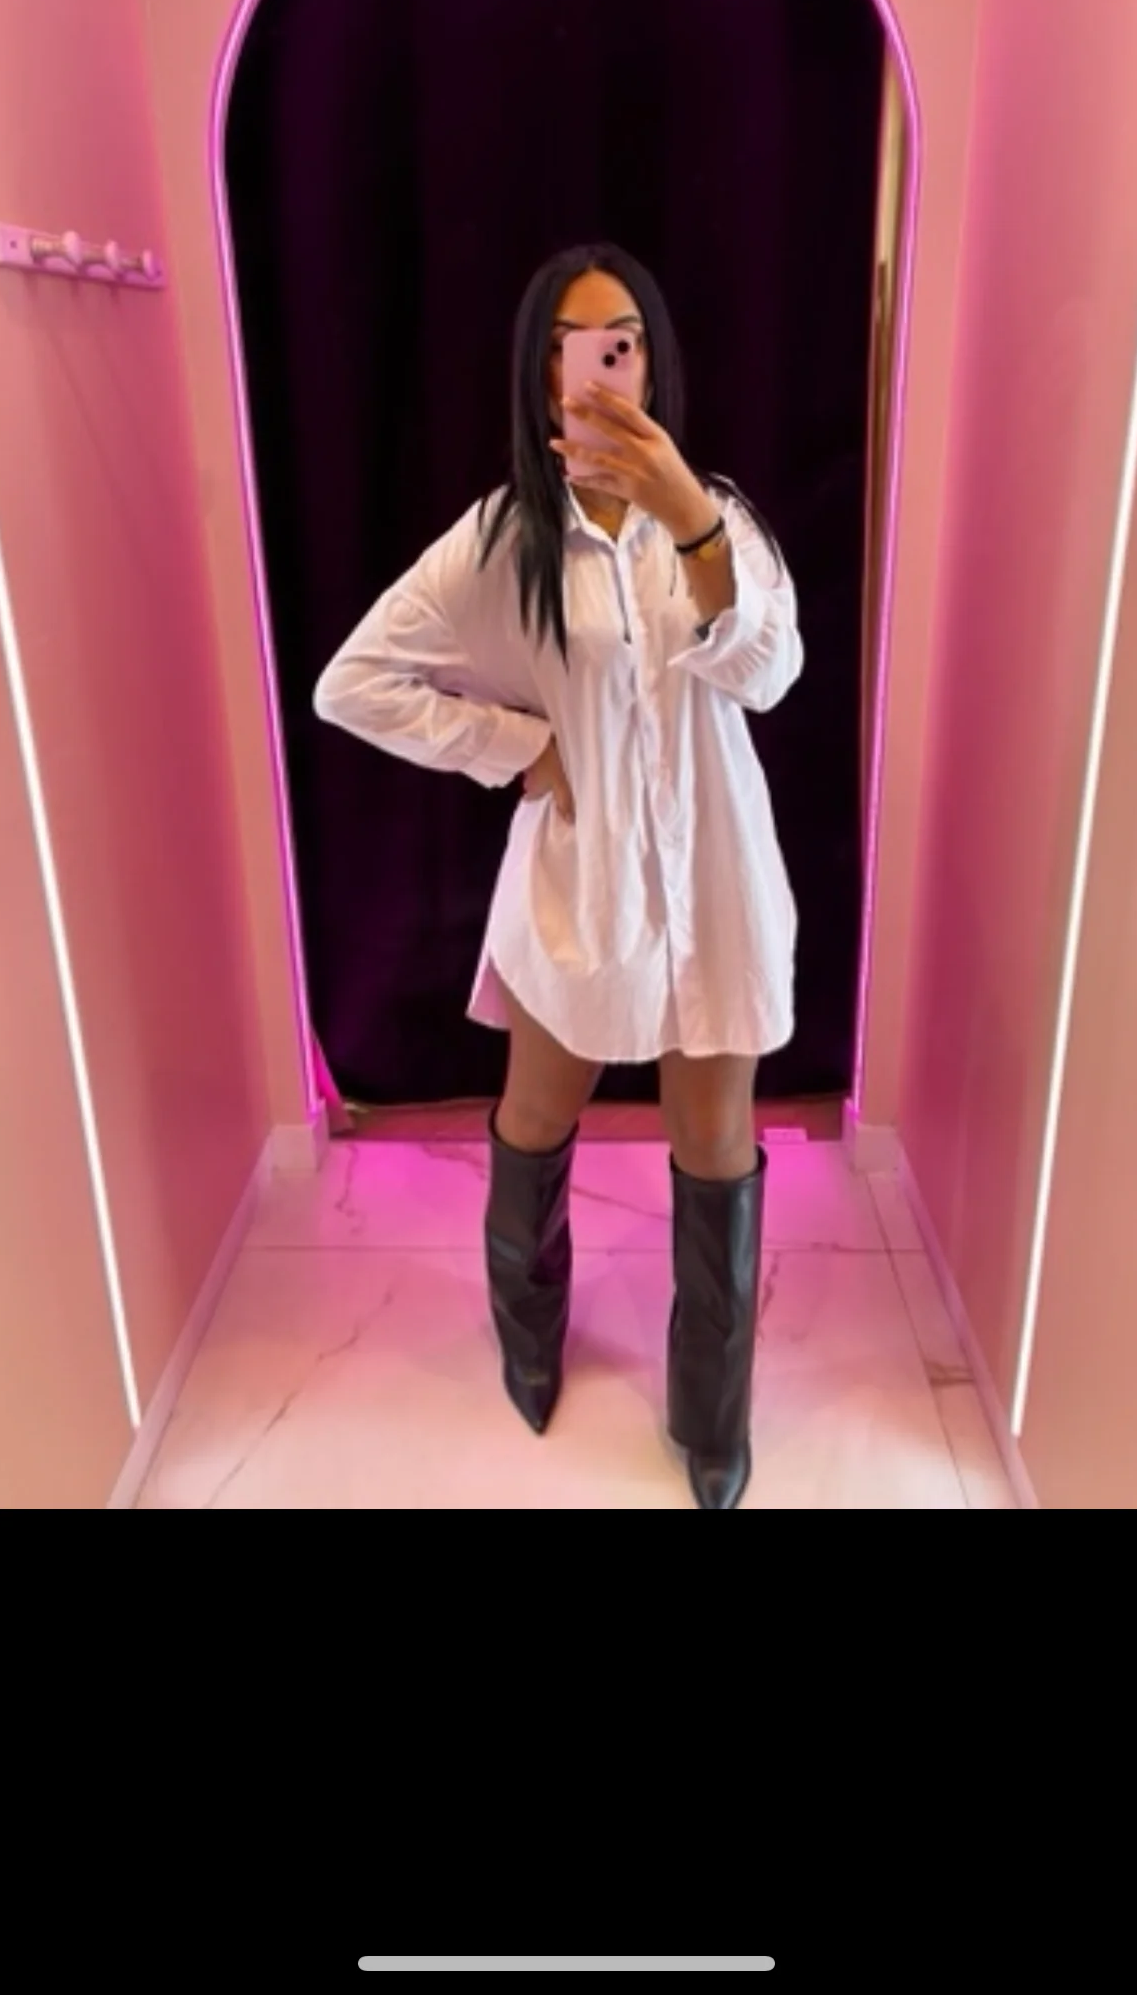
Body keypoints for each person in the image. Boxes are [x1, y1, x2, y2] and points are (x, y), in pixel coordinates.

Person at [314, 242, 804, 1509]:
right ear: (543, 375)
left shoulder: (718, 516)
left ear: (653, 358)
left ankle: (712, 1420)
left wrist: (691, 518)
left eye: (625, 337)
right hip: (580, 888)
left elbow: (770, 673)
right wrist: (516, 748)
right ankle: (528, 1339)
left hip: (714, 880)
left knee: (716, 1142)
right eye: (578, 344)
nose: (604, 364)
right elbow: (352, 684)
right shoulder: (502, 538)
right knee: (535, 1117)